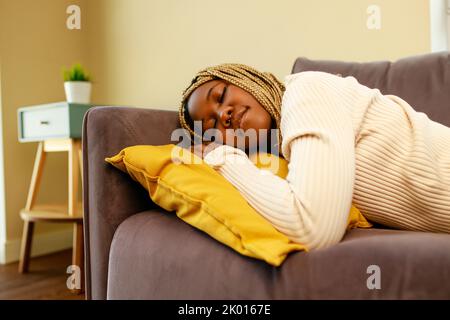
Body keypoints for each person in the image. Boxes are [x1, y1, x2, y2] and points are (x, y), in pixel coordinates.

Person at [178, 63, 450, 250]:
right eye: (211, 126)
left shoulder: (306, 91)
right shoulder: (286, 155)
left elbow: (313, 228)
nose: (223, 114)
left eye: (221, 94)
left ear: (248, 80)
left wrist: (223, 159)